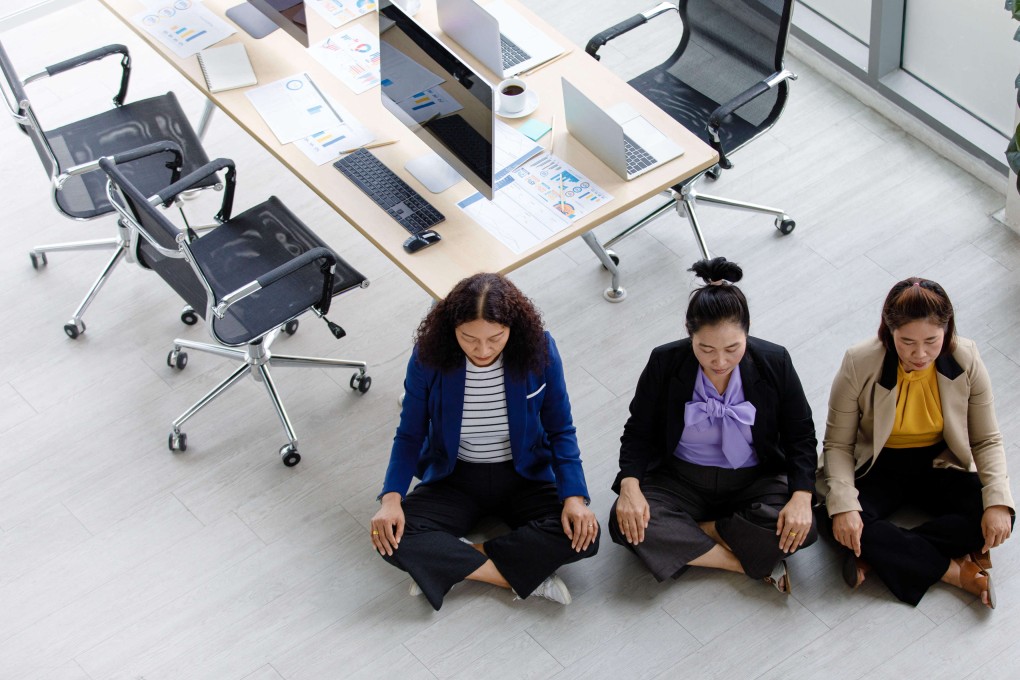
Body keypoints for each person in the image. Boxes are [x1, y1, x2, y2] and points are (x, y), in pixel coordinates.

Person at [370, 273, 599, 610]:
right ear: (452, 331)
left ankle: (447, 562)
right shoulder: (427, 356)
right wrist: (391, 498)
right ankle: (521, 574)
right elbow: (410, 433)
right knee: (389, 537)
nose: (483, 350)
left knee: (584, 536)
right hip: (455, 476)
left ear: (513, 328)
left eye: (496, 338)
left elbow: (561, 428)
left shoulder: (540, 349)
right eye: (469, 339)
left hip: (524, 475)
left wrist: (575, 497)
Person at [608, 257, 818, 593]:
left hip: (754, 478)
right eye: (705, 349)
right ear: (689, 335)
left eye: (733, 348)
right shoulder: (664, 361)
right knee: (625, 522)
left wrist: (802, 496)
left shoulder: (775, 361)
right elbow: (639, 430)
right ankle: (738, 562)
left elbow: (801, 435)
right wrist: (630, 487)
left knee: (802, 527)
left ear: (747, 334)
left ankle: (699, 533)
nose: (719, 361)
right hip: (680, 477)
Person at [820, 277, 1014, 608]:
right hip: (877, 465)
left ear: (947, 330)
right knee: (833, 514)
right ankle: (953, 571)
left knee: (997, 513)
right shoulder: (859, 361)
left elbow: (987, 438)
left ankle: (881, 554)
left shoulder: (967, 359)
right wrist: (846, 507)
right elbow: (837, 444)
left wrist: (997, 503)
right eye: (907, 341)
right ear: (889, 331)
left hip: (937, 463)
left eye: (932, 341)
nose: (920, 354)